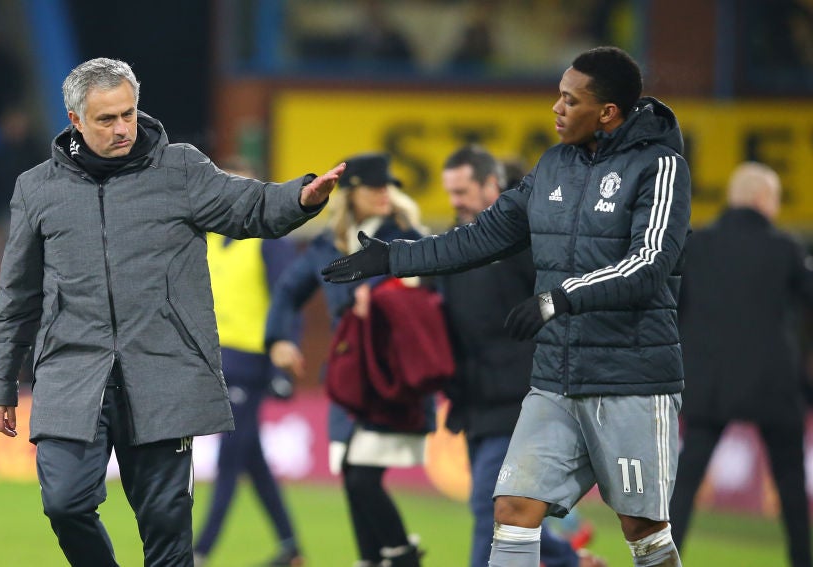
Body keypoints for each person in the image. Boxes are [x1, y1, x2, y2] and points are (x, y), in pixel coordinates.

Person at [322, 46, 691, 567]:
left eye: (571, 100)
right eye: (558, 95)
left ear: (607, 112)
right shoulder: (554, 165)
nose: (556, 108)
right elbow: (483, 236)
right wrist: (394, 258)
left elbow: (649, 263)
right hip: (556, 378)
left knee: (643, 528)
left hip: (630, 377)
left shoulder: (661, 166)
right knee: (512, 509)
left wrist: (560, 298)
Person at [0, 58, 343, 567]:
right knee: (64, 503)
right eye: (106, 119)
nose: (122, 128)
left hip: (161, 372)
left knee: (168, 534)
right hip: (71, 372)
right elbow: (17, 296)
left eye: (128, 113)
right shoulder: (36, 188)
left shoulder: (181, 170)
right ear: (75, 120)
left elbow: (249, 206)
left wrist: (299, 197)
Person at [437, 145, 605, 567]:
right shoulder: (456, 244)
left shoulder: (526, 240)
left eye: (462, 192)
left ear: (491, 185)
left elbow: (563, 302)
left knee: (488, 504)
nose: (455, 202)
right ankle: (571, 560)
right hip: (476, 401)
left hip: (522, 397)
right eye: (450, 193)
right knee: (502, 509)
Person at [266, 152, 428, 567]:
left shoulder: (408, 238)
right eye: (374, 186)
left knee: (361, 476)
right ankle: (376, 558)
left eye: (387, 185)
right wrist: (279, 338)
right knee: (352, 476)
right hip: (348, 377)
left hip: (392, 375)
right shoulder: (327, 244)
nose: (384, 193)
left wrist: (386, 302)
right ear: (351, 193)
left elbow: (433, 299)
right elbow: (287, 291)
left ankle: (402, 556)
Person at [670, 162, 813, 567]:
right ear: (764, 199)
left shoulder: (696, 245)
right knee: (790, 487)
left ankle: (661, 560)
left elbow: (674, 309)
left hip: (708, 383)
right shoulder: (785, 249)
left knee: (685, 482)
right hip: (773, 385)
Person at [193, 158, 304, 567]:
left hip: (249, 364)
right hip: (213, 361)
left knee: (229, 458)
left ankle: (199, 551)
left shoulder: (269, 239)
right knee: (250, 457)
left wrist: (281, 365)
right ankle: (291, 549)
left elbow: (288, 299)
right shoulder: (209, 236)